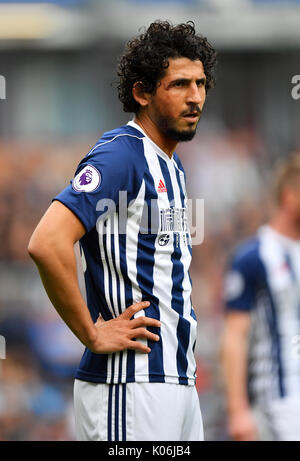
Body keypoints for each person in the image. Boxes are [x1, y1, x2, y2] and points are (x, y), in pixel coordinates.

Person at [28, 21, 217, 441]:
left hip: (178, 382)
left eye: (201, 83)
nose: (195, 97)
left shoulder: (172, 166)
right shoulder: (121, 156)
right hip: (131, 384)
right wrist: (91, 333)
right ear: (141, 92)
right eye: (180, 84)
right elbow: (46, 242)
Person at [221, 153, 300, 441]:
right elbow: (234, 337)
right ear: (290, 196)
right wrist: (238, 410)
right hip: (281, 403)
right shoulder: (253, 257)